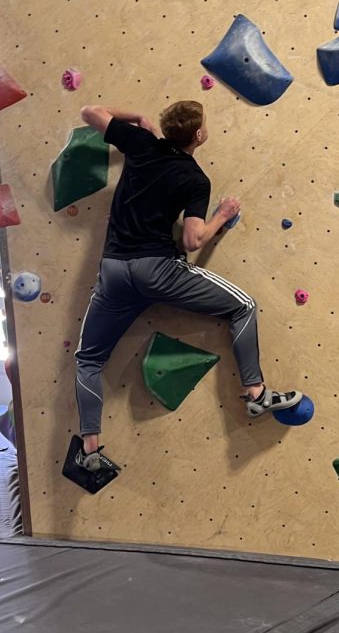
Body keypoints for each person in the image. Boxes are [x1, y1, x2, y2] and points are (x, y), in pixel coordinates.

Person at [71, 99, 302, 480]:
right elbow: (194, 240)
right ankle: (257, 394)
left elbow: (90, 111)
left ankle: (90, 449)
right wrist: (222, 217)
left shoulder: (140, 143)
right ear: (198, 135)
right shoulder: (195, 179)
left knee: (89, 360)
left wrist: (137, 118)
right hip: (157, 271)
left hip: (113, 271)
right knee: (243, 306)